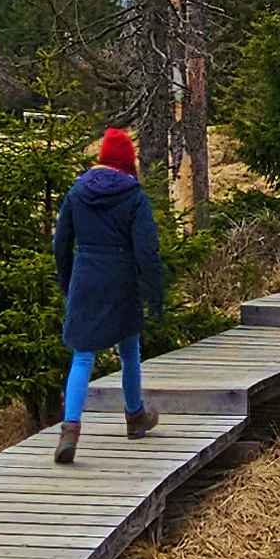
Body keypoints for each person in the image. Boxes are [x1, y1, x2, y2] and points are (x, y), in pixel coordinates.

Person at [52, 126, 165, 464]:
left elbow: (61, 243)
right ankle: (135, 417)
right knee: (129, 351)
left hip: (86, 275)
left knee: (82, 356)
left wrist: (68, 281)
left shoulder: (77, 192)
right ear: (128, 162)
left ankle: (70, 430)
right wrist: (154, 292)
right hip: (121, 278)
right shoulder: (134, 196)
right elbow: (147, 249)